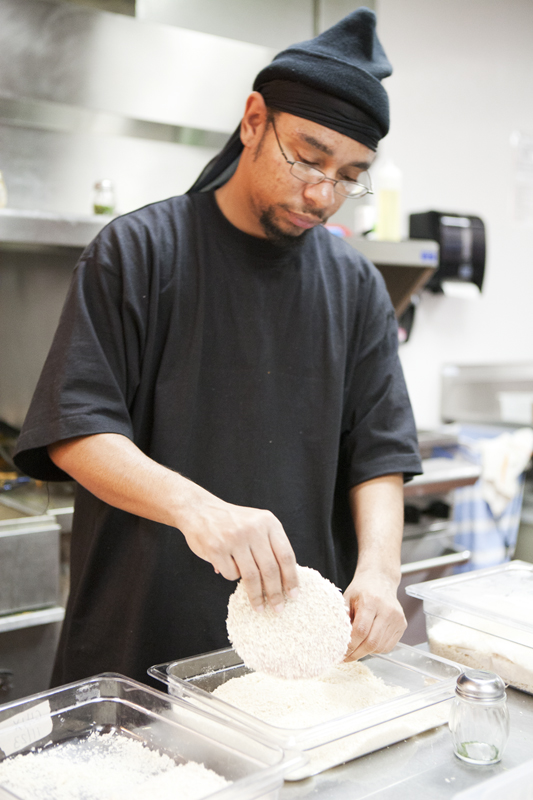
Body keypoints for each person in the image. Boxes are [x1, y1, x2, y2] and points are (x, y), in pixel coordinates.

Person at [14, 8, 422, 687]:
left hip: (291, 662)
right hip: (140, 647)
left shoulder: (353, 285)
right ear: (254, 119)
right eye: (308, 157)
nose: (323, 193)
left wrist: (380, 570)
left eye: (350, 175)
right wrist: (198, 509)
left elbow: (379, 449)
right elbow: (76, 430)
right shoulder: (138, 253)